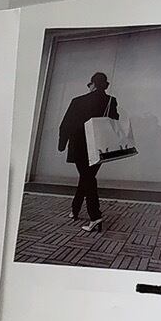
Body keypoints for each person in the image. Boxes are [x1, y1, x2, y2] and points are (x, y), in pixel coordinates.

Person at [58, 71, 119, 234]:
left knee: (87, 178)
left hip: (79, 146)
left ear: (93, 84)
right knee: (87, 177)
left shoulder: (78, 101)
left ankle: (95, 216)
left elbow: (66, 124)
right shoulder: (110, 101)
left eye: (89, 84)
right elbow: (114, 121)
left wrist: (62, 144)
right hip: (99, 147)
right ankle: (75, 210)